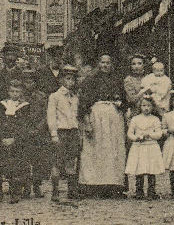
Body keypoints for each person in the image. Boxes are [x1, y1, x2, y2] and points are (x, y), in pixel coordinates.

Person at [78, 54, 127, 198]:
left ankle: (113, 186)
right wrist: (87, 122)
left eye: (108, 62)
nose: (105, 65)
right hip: (96, 117)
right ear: (98, 64)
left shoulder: (117, 80)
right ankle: (93, 186)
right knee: (95, 150)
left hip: (114, 119)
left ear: (112, 64)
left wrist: (120, 104)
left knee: (113, 151)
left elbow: (124, 101)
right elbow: (83, 103)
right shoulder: (90, 80)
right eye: (102, 62)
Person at [0, 79, 30, 203]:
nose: (14, 94)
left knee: (15, 166)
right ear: (8, 92)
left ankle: (15, 193)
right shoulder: (3, 105)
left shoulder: (24, 107)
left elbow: (24, 126)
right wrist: (1, 138)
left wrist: (14, 139)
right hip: (2, 140)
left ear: (21, 92)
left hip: (16, 141)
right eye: (12, 91)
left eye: (17, 91)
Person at [47, 66, 81, 202]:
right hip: (61, 132)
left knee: (71, 161)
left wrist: (78, 132)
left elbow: (76, 116)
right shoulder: (55, 96)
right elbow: (51, 116)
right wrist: (53, 133)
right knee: (57, 162)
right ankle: (55, 191)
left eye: (73, 79)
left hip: (73, 132)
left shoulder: (75, 97)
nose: (70, 82)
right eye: (67, 78)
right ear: (61, 79)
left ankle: (71, 190)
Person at [125, 96, 164, 200]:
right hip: (139, 146)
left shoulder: (155, 119)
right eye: (144, 105)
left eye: (149, 106)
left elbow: (159, 134)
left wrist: (150, 135)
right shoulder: (135, 119)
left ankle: (151, 191)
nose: (146, 108)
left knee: (151, 169)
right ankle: (139, 191)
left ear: (153, 107)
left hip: (151, 146)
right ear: (140, 106)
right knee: (139, 169)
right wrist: (136, 138)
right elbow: (130, 133)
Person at [22, 69, 50, 198]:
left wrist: (38, 129)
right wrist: (25, 129)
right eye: (26, 81)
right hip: (24, 132)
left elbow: (46, 114)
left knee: (38, 161)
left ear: (35, 82)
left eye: (31, 81)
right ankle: (26, 187)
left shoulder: (42, 97)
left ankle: (37, 186)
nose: (29, 84)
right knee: (24, 160)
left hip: (39, 133)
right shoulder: (20, 97)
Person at [123, 53, 147, 118]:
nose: (136, 66)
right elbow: (132, 99)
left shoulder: (148, 78)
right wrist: (142, 92)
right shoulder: (128, 80)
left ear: (144, 65)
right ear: (130, 66)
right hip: (135, 113)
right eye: (133, 64)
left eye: (139, 63)